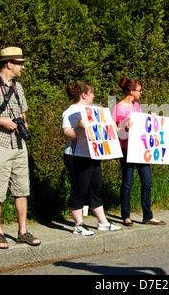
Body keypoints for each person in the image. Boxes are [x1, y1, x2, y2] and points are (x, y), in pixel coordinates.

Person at [0, 47, 40, 249]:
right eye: (20, 63)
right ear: (8, 63)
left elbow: (23, 111)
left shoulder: (18, 87)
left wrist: (24, 123)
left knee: (22, 189)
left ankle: (22, 231)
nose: (23, 67)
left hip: (19, 144)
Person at [62, 81, 121, 236]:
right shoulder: (71, 111)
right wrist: (80, 127)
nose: (94, 95)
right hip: (77, 156)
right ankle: (78, 225)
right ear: (84, 95)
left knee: (95, 187)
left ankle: (103, 223)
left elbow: (108, 129)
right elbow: (67, 135)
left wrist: (116, 126)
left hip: (93, 155)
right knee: (79, 189)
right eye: (92, 93)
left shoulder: (96, 110)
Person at [111, 77, 166, 226]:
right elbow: (112, 130)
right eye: (139, 90)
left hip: (140, 150)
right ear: (130, 91)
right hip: (127, 149)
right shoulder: (118, 108)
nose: (141, 93)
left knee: (147, 182)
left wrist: (151, 120)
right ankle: (126, 216)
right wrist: (124, 128)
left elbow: (141, 124)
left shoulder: (136, 106)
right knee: (127, 183)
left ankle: (148, 216)